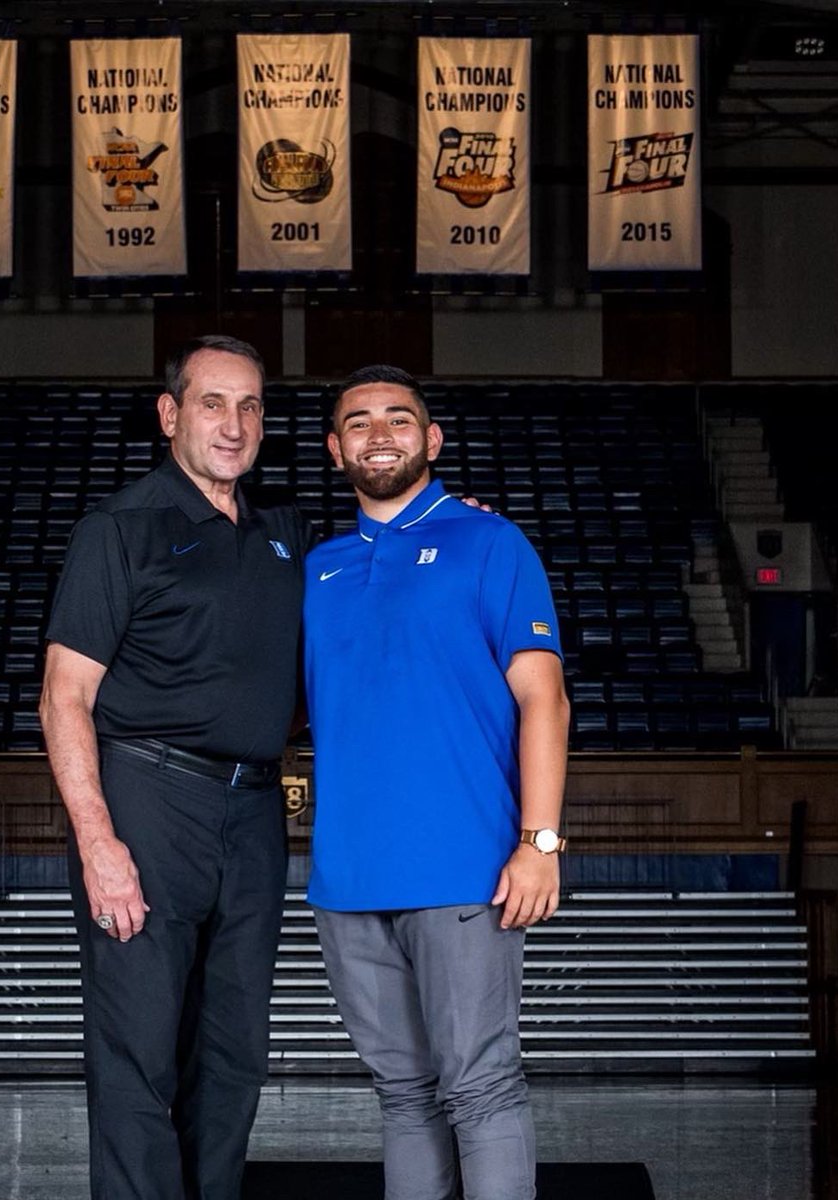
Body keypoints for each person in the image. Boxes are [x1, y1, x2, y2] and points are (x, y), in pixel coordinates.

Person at [40, 335, 313, 1200]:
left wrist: (468, 521)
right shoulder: (119, 531)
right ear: (169, 415)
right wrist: (99, 843)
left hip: (256, 814)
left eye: (250, 406)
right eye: (212, 403)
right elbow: (64, 697)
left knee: (233, 1053)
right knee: (140, 1052)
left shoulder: (284, 537)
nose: (233, 425)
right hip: (150, 802)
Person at [302, 364, 570, 1200]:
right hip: (346, 881)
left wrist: (540, 842)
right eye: (359, 421)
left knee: (480, 1086)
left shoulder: (490, 542)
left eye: (398, 418)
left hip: (463, 869)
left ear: (433, 439)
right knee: (404, 1095)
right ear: (333, 447)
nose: (379, 433)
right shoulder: (317, 568)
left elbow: (545, 698)